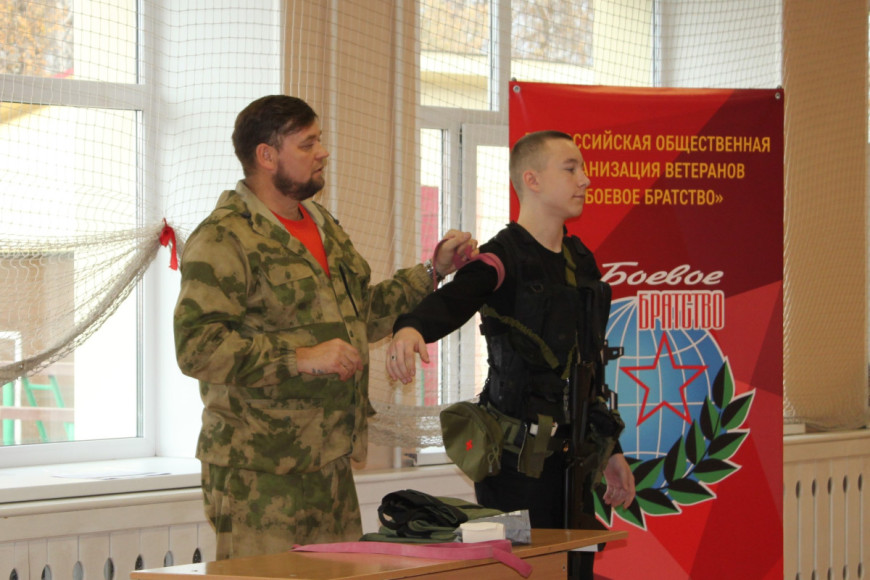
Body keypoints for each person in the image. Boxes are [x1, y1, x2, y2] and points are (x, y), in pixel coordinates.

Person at [173, 94, 476, 560]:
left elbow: (360, 314)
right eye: (307, 144)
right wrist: (299, 358)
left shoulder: (322, 225)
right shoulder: (224, 237)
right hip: (259, 472)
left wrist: (433, 271)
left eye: (319, 141)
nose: (323, 152)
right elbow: (197, 346)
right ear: (267, 155)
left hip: (330, 461)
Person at [386, 130, 635, 578]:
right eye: (571, 168)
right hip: (516, 470)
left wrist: (611, 450)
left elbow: (588, 369)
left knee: (576, 571)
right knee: (524, 573)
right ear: (532, 180)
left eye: (582, 168)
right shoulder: (502, 257)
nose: (585, 179)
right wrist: (411, 328)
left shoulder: (581, 261)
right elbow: (454, 300)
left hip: (575, 465)